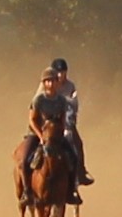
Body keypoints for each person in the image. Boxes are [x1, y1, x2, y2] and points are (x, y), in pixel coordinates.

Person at [24, 67, 83, 205]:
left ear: (57, 83)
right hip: (37, 134)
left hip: (55, 136)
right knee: (24, 158)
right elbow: (32, 120)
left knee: (73, 157)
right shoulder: (38, 100)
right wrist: (40, 136)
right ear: (44, 83)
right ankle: (27, 191)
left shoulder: (61, 100)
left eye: (52, 81)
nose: (50, 84)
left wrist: (60, 134)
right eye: (47, 81)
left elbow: (63, 119)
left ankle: (71, 192)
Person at [48, 57, 92, 187]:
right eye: (59, 72)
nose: (61, 75)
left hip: (65, 122)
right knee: (28, 149)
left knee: (78, 144)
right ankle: (26, 183)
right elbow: (37, 103)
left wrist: (70, 122)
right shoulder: (46, 84)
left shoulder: (70, 86)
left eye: (64, 72)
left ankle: (81, 173)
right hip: (47, 123)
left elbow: (74, 104)